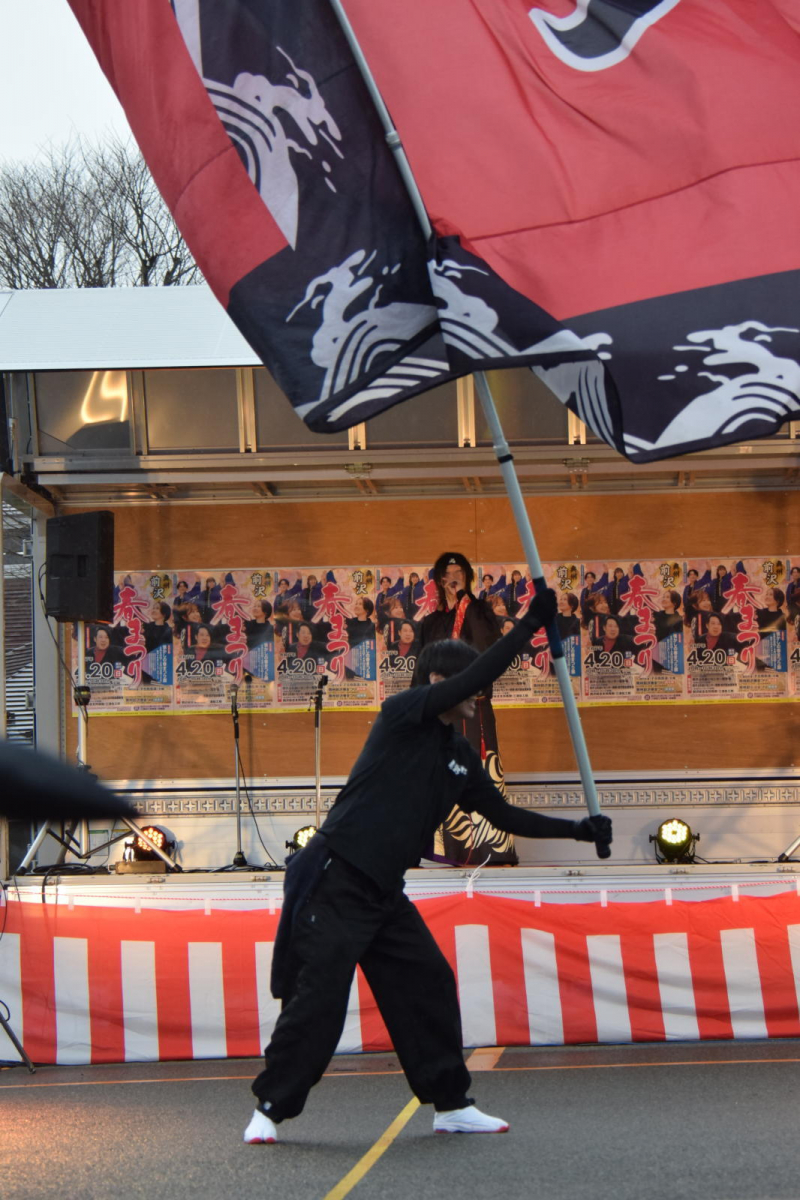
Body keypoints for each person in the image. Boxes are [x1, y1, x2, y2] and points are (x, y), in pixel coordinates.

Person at [244, 592, 612, 1145]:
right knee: (319, 1001)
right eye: (467, 682)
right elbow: (479, 675)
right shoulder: (403, 715)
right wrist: (528, 627)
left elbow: (505, 816)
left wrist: (579, 830)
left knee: (429, 983)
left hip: (383, 894)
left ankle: (451, 1104)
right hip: (334, 879)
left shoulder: (459, 756)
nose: (478, 693)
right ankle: (270, 1109)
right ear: (439, 680)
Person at [420, 551, 514, 866]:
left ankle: (491, 850)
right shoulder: (431, 622)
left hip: (475, 709)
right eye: (448, 574)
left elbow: (489, 649)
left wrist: (466, 601)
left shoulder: (481, 612)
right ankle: (448, 851)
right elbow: (422, 668)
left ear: (468, 578)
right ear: (439, 580)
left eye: (460, 573)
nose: (453, 578)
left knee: (482, 770)